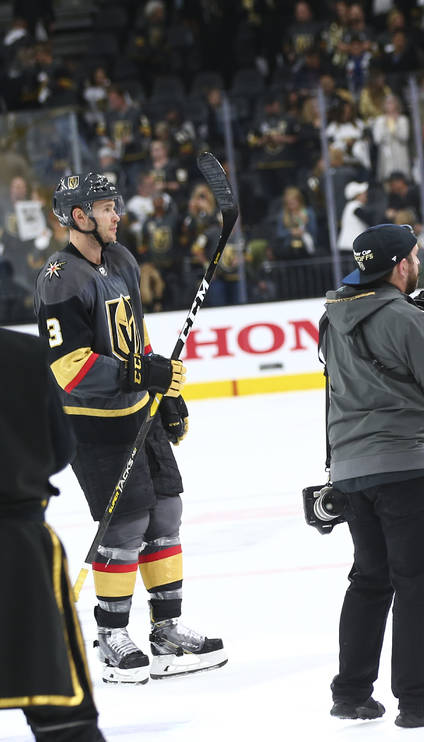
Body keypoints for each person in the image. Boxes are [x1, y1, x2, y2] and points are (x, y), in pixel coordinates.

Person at [34, 173, 225, 685]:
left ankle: (166, 630)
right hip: (93, 423)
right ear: (79, 217)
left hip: (137, 410)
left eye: (115, 204)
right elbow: (69, 368)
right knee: (124, 526)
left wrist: (165, 390)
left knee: (166, 511)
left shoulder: (121, 261)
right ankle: (113, 637)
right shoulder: (59, 278)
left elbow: (133, 339)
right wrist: (139, 374)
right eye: (105, 207)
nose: (116, 214)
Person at [320, 224, 424, 729]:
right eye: (415, 256)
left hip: (351, 469)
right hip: (404, 465)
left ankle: (352, 691)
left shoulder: (331, 315)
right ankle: (417, 698)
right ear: (402, 265)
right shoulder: (406, 318)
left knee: (369, 579)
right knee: (416, 584)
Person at [0, 328, 106, 741]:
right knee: (64, 716)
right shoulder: (25, 353)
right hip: (19, 547)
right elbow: (61, 449)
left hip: (20, 538)